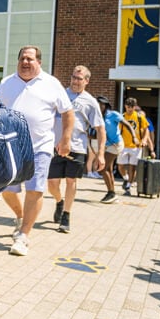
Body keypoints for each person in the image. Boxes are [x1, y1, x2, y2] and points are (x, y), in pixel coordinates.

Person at [0, 46, 73, 255]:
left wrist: (65, 139)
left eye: (30, 59)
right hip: (11, 147)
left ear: (39, 62)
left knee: (35, 189)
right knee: (7, 190)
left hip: (40, 147)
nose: (25, 62)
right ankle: (21, 216)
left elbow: (67, 112)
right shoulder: (6, 83)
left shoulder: (51, 84)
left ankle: (23, 236)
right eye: (22, 58)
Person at [46, 65, 104, 234]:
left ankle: (66, 215)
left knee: (71, 181)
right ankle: (59, 202)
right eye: (73, 77)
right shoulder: (60, 95)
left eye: (79, 79)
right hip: (55, 146)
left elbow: (100, 129)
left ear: (86, 81)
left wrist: (100, 154)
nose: (75, 81)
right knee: (52, 183)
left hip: (77, 147)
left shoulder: (90, 102)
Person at [117, 97, 152, 195]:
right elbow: (118, 131)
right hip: (123, 145)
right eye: (128, 107)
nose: (129, 109)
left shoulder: (140, 117)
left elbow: (146, 130)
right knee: (120, 165)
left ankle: (128, 186)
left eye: (131, 107)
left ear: (135, 107)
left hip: (136, 146)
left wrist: (144, 140)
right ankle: (126, 178)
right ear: (125, 106)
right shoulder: (122, 117)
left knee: (133, 167)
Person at [96, 96, 121, 203]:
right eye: (98, 104)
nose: (100, 106)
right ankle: (112, 193)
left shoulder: (113, 114)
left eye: (102, 104)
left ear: (106, 105)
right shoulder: (97, 117)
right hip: (107, 145)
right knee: (108, 169)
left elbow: (127, 124)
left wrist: (134, 136)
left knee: (102, 169)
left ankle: (111, 193)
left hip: (116, 144)